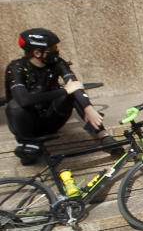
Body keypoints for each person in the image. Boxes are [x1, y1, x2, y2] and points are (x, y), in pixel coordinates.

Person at [5, 29, 117, 164]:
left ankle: (103, 136)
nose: (56, 51)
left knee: (73, 92)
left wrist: (88, 108)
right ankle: (29, 146)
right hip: (28, 124)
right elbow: (23, 100)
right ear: (37, 52)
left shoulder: (57, 62)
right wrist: (63, 91)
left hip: (52, 118)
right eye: (52, 48)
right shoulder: (17, 67)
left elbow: (74, 85)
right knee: (15, 105)